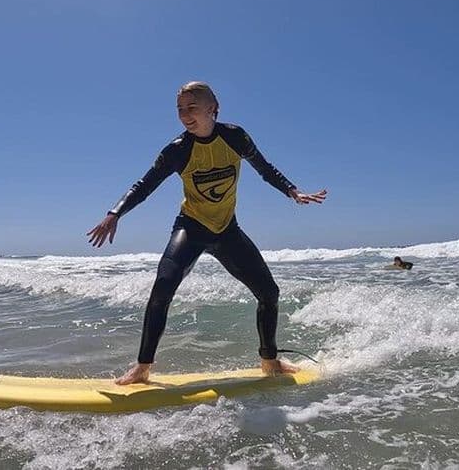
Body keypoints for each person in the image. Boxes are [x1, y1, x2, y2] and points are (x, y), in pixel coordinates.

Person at [87, 81, 327, 385]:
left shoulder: (235, 137)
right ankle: (142, 367)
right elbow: (144, 185)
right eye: (180, 109)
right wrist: (115, 213)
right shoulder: (177, 150)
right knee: (163, 286)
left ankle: (270, 360)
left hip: (227, 231)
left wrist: (292, 191)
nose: (185, 115)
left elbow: (265, 168)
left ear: (213, 109)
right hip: (192, 227)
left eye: (192, 108)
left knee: (269, 293)